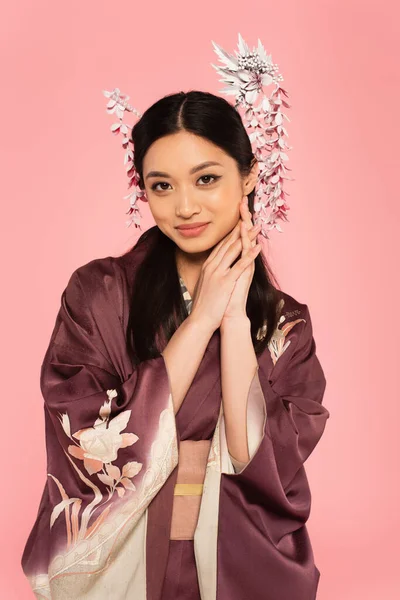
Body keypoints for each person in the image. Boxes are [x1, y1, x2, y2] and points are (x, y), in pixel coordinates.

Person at [21, 90, 330, 600]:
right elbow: (82, 434)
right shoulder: (98, 293)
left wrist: (233, 321)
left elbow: (262, 465)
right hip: (130, 559)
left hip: (229, 557)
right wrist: (202, 315)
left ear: (249, 176)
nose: (185, 206)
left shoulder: (285, 322)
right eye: (161, 185)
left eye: (206, 178)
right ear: (142, 190)